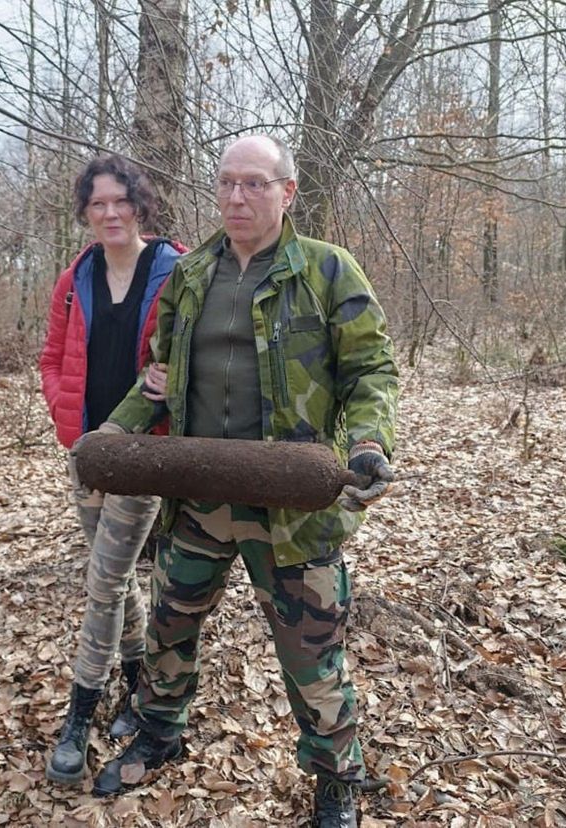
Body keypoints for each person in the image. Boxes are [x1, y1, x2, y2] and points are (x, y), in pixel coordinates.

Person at [89, 135, 399, 828]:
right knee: (170, 625)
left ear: (287, 193)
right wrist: (109, 438)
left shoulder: (326, 271)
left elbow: (373, 372)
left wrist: (371, 444)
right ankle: (161, 731)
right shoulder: (192, 274)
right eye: (227, 183)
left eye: (255, 184)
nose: (237, 197)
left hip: (292, 508)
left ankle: (335, 777)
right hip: (199, 498)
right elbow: (160, 377)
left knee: (312, 653)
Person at [39, 154, 186, 785]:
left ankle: (79, 715)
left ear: (139, 205)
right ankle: (136, 685)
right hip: (88, 453)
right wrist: (67, 423)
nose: (109, 213)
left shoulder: (174, 271)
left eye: (118, 201)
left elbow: (198, 352)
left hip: (142, 452)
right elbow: (50, 358)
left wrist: (170, 379)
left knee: (104, 581)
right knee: (118, 578)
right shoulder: (76, 278)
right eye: (97, 204)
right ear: (86, 213)